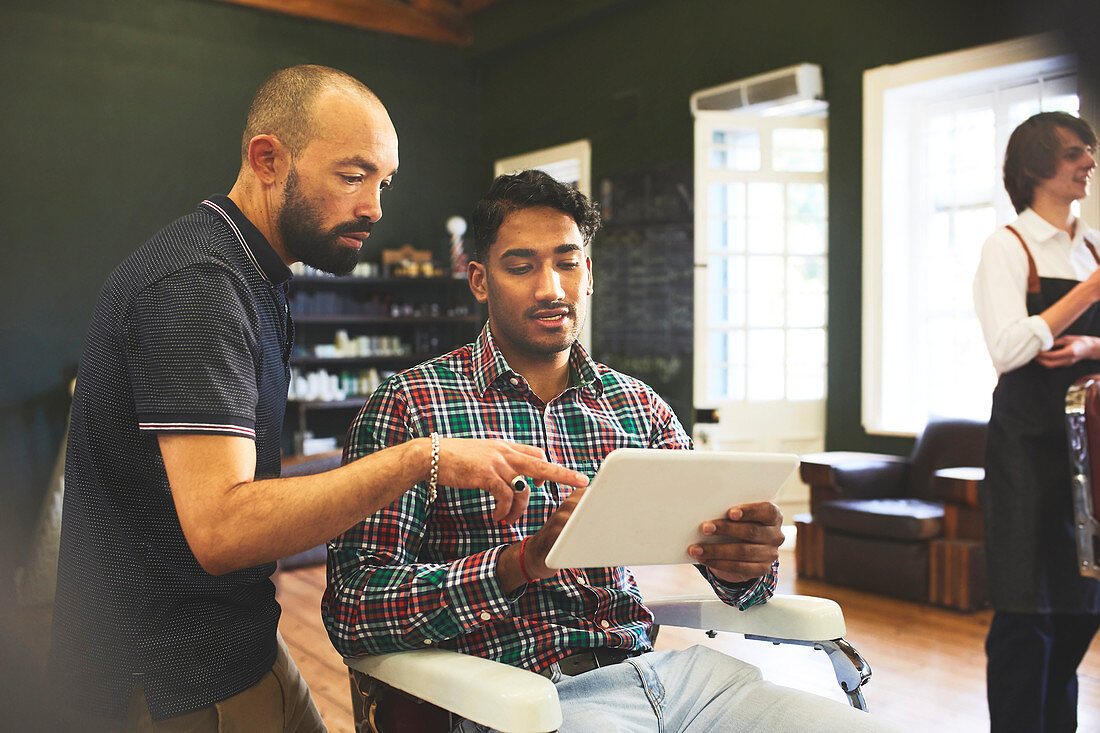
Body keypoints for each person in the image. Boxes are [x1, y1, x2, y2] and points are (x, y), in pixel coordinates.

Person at [49, 67, 588, 732]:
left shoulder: (254, 278)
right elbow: (223, 528)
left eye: (383, 182)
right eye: (353, 174)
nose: (375, 207)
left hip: (242, 646)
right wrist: (422, 458)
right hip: (169, 680)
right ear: (267, 159)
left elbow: (244, 495)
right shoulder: (198, 284)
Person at [324, 170, 893, 732]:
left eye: (567, 263)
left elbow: (739, 579)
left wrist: (745, 562)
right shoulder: (410, 408)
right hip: (530, 697)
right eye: (521, 266)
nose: (551, 287)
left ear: (588, 273)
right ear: (479, 279)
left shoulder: (636, 406)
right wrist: (519, 564)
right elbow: (352, 609)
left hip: (676, 681)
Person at [974, 111, 1100, 732]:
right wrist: (1088, 292)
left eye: (1090, 151)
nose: (1090, 163)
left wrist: (1086, 348)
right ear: (1035, 168)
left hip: (1092, 451)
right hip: (1027, 449)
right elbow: (1008, 349)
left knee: (1083, 605)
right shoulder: (1007, 246)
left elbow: (1064, 343)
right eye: (1077, 152)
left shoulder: (1096, 244)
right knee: (1027, 609)